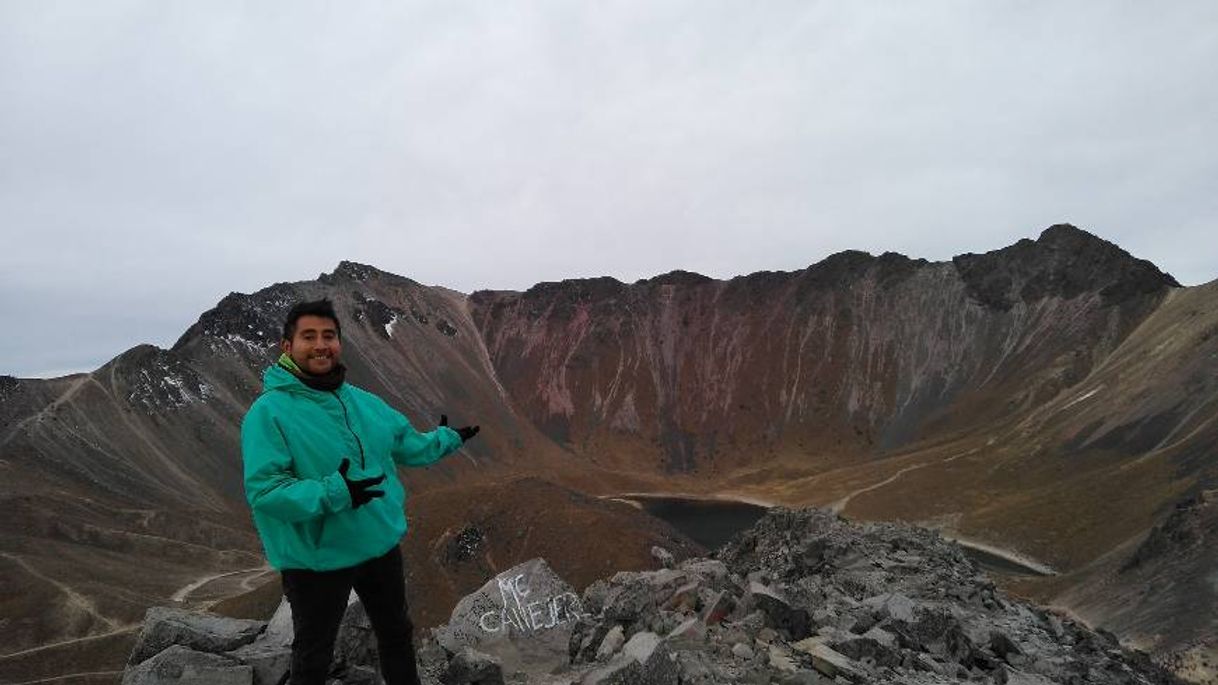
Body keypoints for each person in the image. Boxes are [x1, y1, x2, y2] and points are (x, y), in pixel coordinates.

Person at [241, 298, 479, 685]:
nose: (321, 345)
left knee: (397, 633)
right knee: (314, 654)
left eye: (329, 336)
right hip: (318, 558)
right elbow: (266, 492)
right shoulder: (268, 413)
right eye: (309, 337)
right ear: (287, 347)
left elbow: (407, 445)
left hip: (377, 542)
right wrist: (335, 493)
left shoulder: (362, 401)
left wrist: (446, 439)